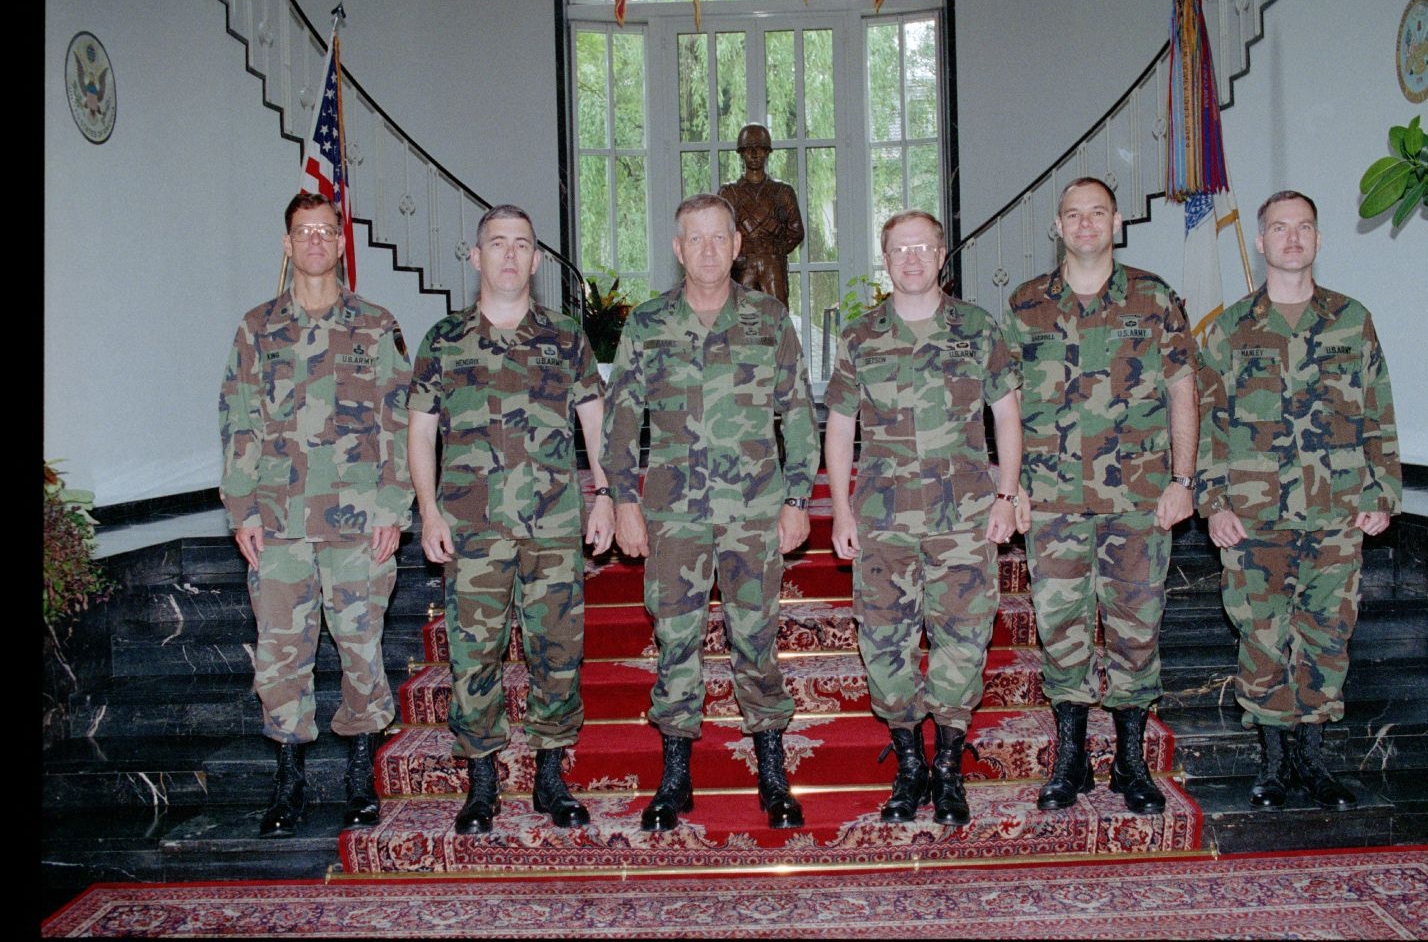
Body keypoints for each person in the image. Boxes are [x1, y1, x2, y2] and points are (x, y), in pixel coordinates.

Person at [601, 193, 820, 832]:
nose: (707, 249)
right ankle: (676, 779)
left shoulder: (769, 319)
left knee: (756, 641)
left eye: (718, 237)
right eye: (693, 239)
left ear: (736, 244)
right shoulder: (647, 324)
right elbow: (621, 420)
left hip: (753, 509)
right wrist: (622, 499)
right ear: (677, 249)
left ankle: (773, 774)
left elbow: (798, 411)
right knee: (675, 640)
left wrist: (798, 497)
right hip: (674, 515)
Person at [408, 204, 615, 834]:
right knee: (475, 656)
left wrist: (604, 492)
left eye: (521, 244)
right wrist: (427, 511)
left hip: (553, 525)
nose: (508, 255)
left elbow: (595, 422)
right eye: (496, 243)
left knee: (558, 650)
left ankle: (551, 777)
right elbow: (418, 434)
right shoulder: (443, 340)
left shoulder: (565, 337)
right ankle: (482, 785)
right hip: (471, 527)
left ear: (534, 260)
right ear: (475, 256)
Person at [1196, 190, 1400, 811]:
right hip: (1254, 516)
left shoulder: (1351, 319)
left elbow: (1379, 410)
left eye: (1303, 227)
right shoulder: (1231, 328)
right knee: (1261, 636)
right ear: (1260, 243)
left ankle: (1312, 762)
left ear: (1317, 238)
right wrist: (1213, 501)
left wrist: (1383, 489)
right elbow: (1209, 422)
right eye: (1279, 229)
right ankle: (1273, 763)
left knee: (1326, 635)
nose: (1292, 238)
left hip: (1336, 510)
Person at [1002, 176, 1197, 815]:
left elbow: (1181, 390)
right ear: (1056, 227)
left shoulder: (1153, 297)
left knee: (1136, 629)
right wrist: (1014, 489)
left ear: (1116, 224)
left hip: (1138, 498)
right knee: (1061, 629)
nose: (1085, 224)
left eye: (1097, 214)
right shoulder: (1025, 305)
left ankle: (1132, 764)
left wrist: (1183, 479)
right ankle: (1071, 760)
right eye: (1073, 215)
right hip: (1054, 500)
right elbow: (1003, 405)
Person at [220, 190, 411, 837]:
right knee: (280, 656)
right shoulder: (256, 330)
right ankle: (290, 779)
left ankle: (361, 774)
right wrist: (241, 511)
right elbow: (239, 425)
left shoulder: (377, 327)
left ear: (340, 241)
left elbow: (400, 422)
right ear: (287, 243)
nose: (315, 242)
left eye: (326, 232)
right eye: (304, 232)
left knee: (361, 649)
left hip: (358, 524)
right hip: (278, 526)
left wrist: (395, 507)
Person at [824, 210, 1025, 826]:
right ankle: (910, 765)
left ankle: (949, 769)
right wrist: (838, 509)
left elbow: (1007, 416)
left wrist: (1006, 495)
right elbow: (839, 427)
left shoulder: (977, 328)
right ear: (884, 260)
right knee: (883, 643)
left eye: (923, 246)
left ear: (942, 255)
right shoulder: (859, 337)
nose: (911, 258)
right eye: (898, 249)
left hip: (963, 518)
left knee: (963, 641)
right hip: (884, 518)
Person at [717, 123, 805, 308]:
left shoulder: (783, 192)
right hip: (742, 263)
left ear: (767, 152)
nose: (755, 154)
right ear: (741, 153)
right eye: (749, 149)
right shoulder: (729, 193)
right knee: (741, 317)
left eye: (760, 149)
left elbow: (796, 231)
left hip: (773, 263)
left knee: (777, 315)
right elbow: (719, 232)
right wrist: (738, 253)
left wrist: (774, 250)